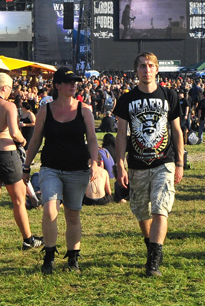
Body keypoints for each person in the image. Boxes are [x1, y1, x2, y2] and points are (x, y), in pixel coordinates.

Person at [23, 67, 102, 273]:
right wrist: (26, 166)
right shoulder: (45, 110)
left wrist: (94, 161)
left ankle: (73, 259)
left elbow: (92, 139)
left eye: (75, 82)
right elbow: (35, 140)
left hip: (77, 169)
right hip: (51, 167)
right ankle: (49, 256)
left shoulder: (84, 110)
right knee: (50, 210)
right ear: (57, 86)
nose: (73, 85)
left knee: (72, 215)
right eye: (68, 82)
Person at [114, 52, 185, 277]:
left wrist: (181, 162)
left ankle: (154, 260)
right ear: (136, 71)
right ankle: (150, 244)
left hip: (165, 161)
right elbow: (121, 134)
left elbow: (176, 131)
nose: (147, 70)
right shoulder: (126, 99)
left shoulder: (169, 95)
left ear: (157, 69)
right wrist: (120, 164)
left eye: (150, 66)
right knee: (141, 211)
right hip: (137, 163)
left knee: (160, 208)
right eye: (142, 66)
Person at [0, 73, 43, 258]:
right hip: (6, 156)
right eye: (11, 88)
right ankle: (28, 239)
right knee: (19, 200)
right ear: (4, 88)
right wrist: (22, 142)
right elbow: (14, 132)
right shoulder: (9, 106)